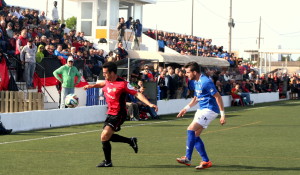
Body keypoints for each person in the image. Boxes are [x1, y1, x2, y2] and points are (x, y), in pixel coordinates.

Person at [83, 62, 158, 167]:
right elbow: (103, 84)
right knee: (106, 137)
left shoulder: (123, 84)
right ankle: (130, 141)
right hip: (110, 113)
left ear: (112, 72)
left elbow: (137, 93)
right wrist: (92, 86)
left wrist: (149, 104)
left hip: (119, 113)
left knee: (104, 136)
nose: (104, 75)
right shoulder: (107, 81)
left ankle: (108, 162)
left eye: (105, 73)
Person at [176, 62, 226, 170]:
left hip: (210, 110)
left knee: (190, 129)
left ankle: (188, 158)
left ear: (195, 72)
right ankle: (206, 161)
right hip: (202, 110)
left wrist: (222, 115)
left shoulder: (206, 82)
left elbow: (218, 97)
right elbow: (196, 98)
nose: (186, 74)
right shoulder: (195, 82)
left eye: (188, 72)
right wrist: (186, 108)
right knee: (195, 136)